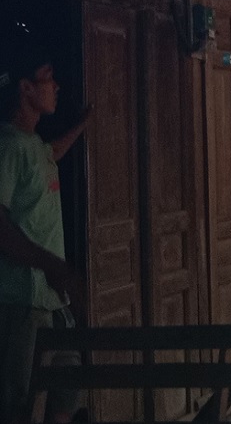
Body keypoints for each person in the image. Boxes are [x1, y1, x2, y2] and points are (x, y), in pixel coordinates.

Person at [0, 30, 90, 424]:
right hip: (22, 300)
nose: (55, 86)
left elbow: (52, 154)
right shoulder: (8, 147)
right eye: (47, 77)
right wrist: (54, 266)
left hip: (53, 301)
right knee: (20, 402)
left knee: (67, 385)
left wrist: (85, 123)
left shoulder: (36, 145)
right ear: (25, 88)